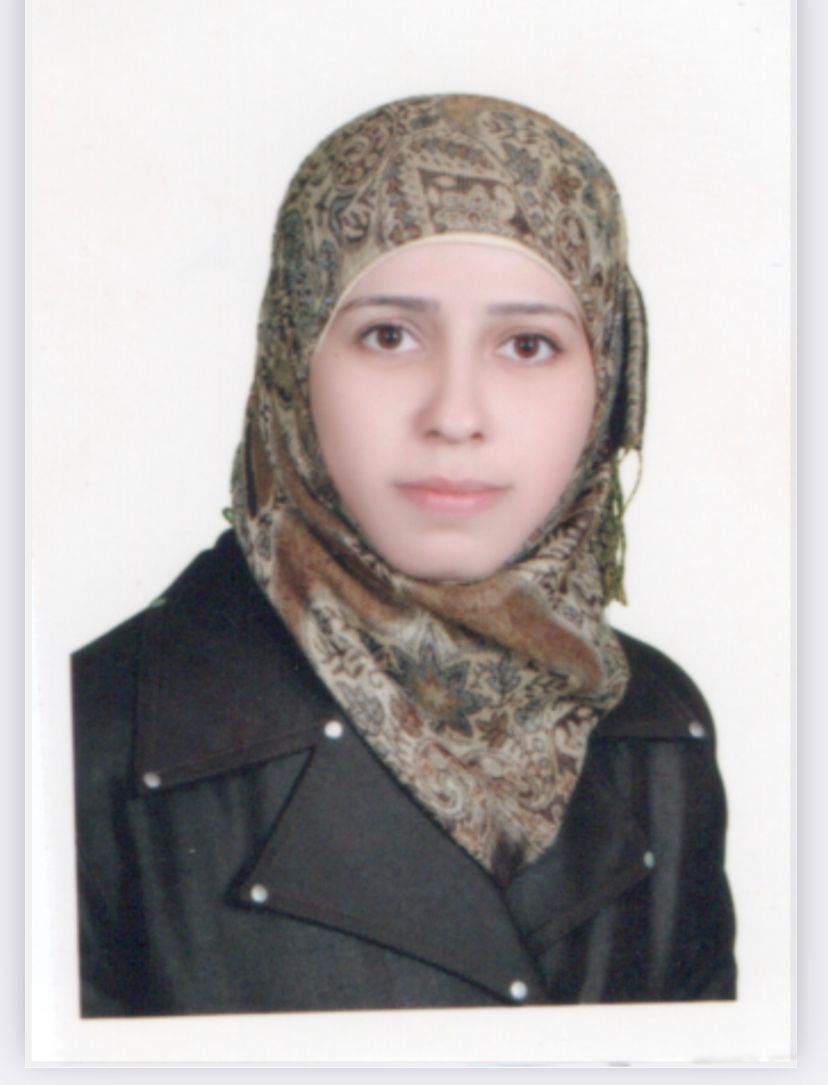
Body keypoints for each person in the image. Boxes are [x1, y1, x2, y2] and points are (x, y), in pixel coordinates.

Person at [72, 93, 736, 1017]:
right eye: (389, 335)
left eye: (528, 344)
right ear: (292, 356)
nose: (456, 414)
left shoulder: (657, 729)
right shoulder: (87, 734)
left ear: (608, 382)